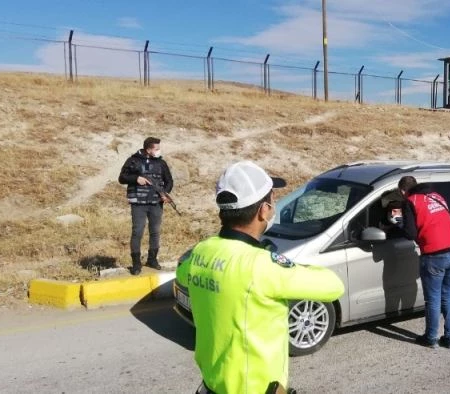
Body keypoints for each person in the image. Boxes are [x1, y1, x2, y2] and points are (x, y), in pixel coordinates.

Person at [176, 160, 345, 394]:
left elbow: (183, 274)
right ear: (264, 210)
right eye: (272, 201)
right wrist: (288, 266)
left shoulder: (201, 252)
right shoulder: (261, 266)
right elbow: (332, 286)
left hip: (211, 384)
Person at [399, 175, 450, 349]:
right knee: (448, 295)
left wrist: (398, 226)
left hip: (434, 253)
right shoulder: (437, 196)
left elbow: (410, 234)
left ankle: (431, 337)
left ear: (402, 191)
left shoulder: (410, 201)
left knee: (433, 299)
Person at [118, 136, 173, 275]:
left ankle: (152, 260)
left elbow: (169, 181)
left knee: (155, 231)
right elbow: (122, 177)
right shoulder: (133, 161)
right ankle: (136, 264)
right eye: (156, 149)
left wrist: (164, 194)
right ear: (148, 149)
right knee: (137, 231)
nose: (158, 151)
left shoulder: (161, 163)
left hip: (156, 203)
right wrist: (136, 178)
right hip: (138, 203)